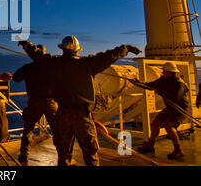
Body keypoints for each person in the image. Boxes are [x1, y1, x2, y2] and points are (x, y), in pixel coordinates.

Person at [18, 36, 142, 166]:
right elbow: (109, 56)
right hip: (82, 116)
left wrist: (27, 45)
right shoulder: (87, 64)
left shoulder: (54, 63)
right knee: (90, 153)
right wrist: (126, 48)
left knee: (64, 153)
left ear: (62, 49)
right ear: (78, 50)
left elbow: (39, 56)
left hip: (62, 114)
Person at [12, 44, 58, 166]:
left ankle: (23, 158)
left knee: (28, 130)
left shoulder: (28, 68)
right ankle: (64, 157)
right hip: (50, 102)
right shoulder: (53, 67)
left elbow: (16, 78)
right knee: (59, 132)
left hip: (34, 102)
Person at [136, 62, 189, 159]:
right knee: (156, 122)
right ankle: (150, 145)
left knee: (168, 125)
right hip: (170, 108)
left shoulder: (179, 84)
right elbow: (150, 85)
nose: (163, 73)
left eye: (164, 71)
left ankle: (178, 150)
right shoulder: (163, 80)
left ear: (171, 72)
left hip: (180, 109)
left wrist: (160, 91)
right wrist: (137, 83)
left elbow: (175, 97)